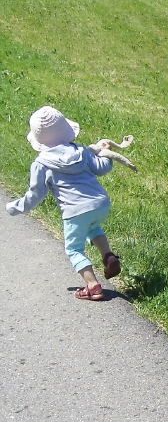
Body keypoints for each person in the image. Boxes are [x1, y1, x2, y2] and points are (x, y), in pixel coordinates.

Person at [6, 106, 121, 301]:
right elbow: (101, 168)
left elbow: (36, 194)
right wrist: (105, 153)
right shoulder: (81, 151)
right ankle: (108, 256)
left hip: (75, 211)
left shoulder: (41, 164)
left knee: (74, 249)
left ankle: (92, 286)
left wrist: (15, 207)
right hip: (100, 203)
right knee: (93, 228)